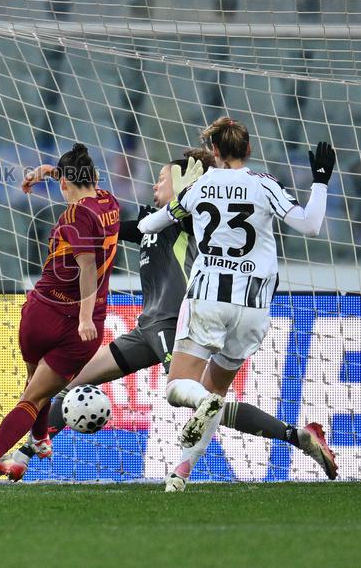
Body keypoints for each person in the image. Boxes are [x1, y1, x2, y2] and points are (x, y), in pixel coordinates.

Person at [0, 148, 337, 483]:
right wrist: (55, 174)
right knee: (69, 382)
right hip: (147, 329)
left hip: (174, 325)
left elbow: (206, 214)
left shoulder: (189, 219)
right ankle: (22, 459)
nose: (156, 184)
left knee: (206, 403)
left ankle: (297, 436)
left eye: (162, 178)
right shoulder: (149, 221)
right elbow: (99, 217)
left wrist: (194, 187)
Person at [138, 117, 336, 491]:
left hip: (208, 299)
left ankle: (201, 413)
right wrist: (321, 181)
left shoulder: (199, 187)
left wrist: (164, 218)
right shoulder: (265, 185)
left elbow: (151, 225)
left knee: (179, 388)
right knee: (215, 392)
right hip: (253, 308)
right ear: (248, 149)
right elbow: (310, 225)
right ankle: (181, 472)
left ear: (213, 150)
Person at [0, 143, 119, 490]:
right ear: (94, 177)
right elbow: (89, 267)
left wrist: (47, 171)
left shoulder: (74, 215)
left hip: (40, 313)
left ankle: (39, 438)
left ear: (65, 183)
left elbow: (86, 265)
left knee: (34, 390)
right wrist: (85, 318)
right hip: (76, 328)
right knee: (35, 396)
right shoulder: (110, 203)